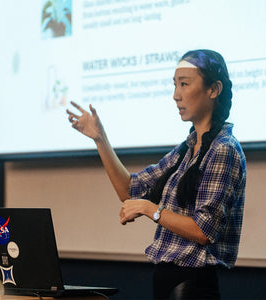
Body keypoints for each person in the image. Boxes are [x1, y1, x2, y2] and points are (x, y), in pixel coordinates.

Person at [66, 49, 246, 299]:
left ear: (213, 90)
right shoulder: (187, 148)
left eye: (184, 84)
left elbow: (204, 231)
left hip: (193, 285)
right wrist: (100, 139)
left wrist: (150, 209)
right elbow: (130, 191)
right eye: (175, 85)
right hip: (167, 280)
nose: (176, 95)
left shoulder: (223, 149)